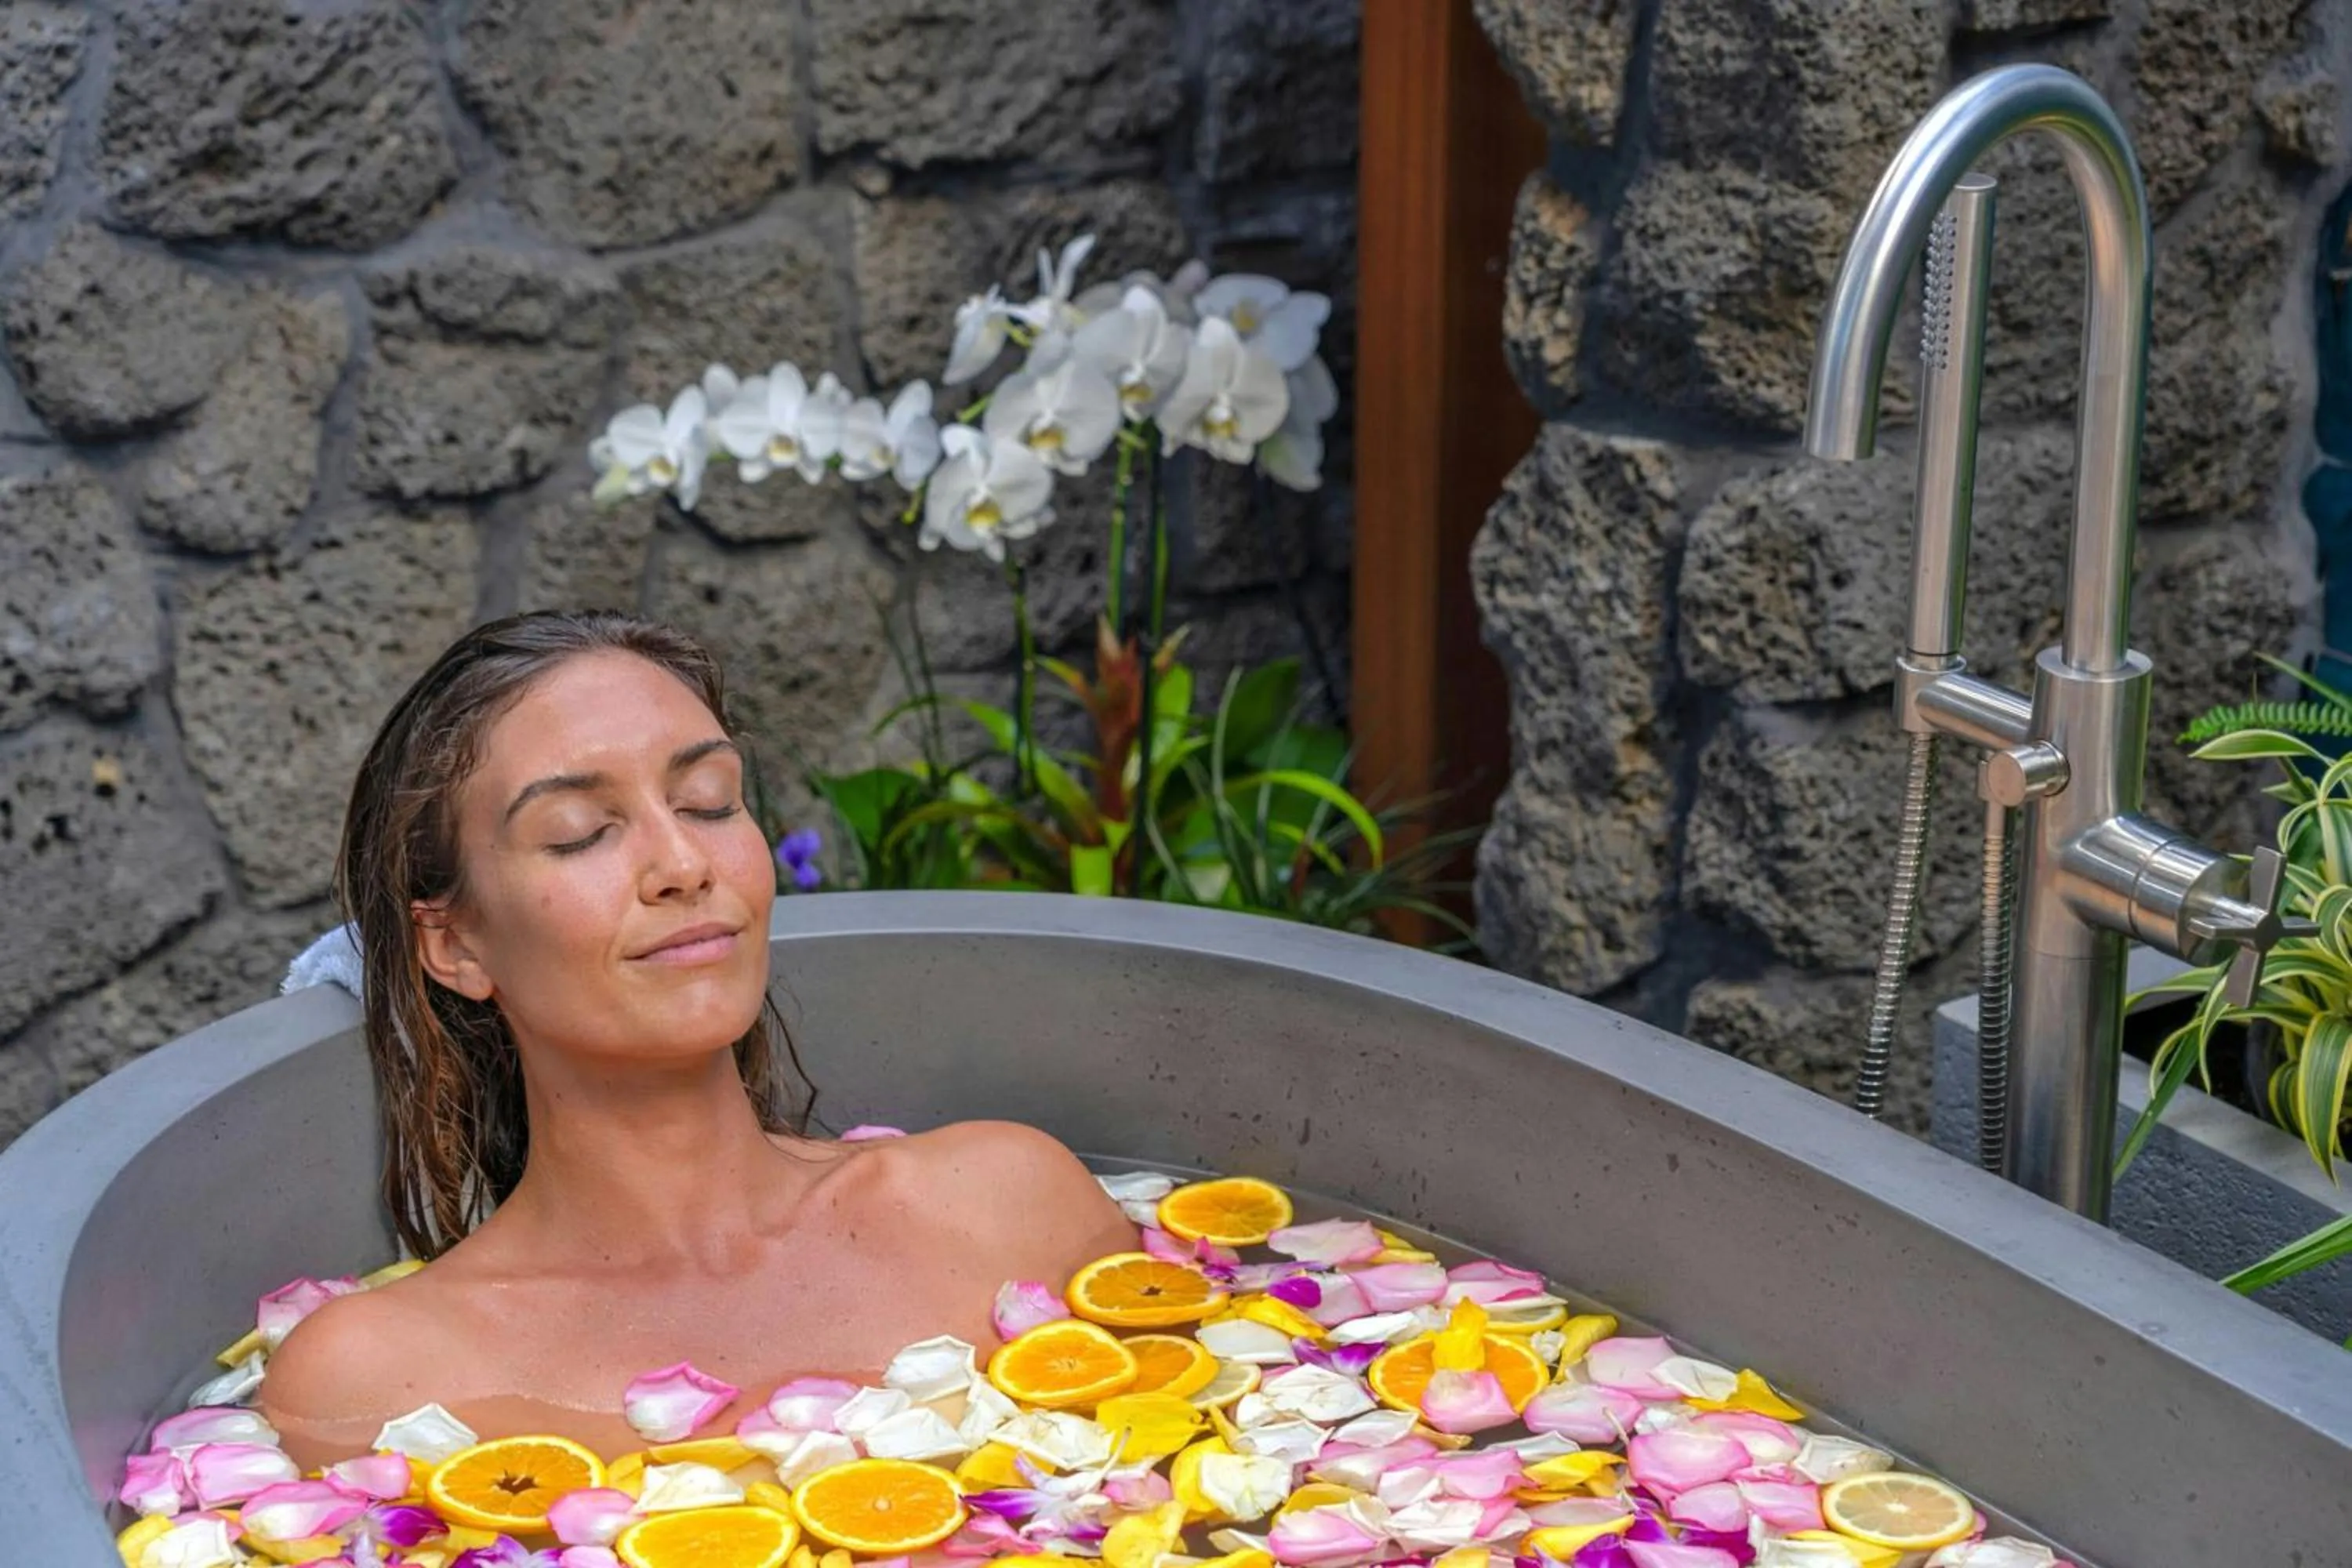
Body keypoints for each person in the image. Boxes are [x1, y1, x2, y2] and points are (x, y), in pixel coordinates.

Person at [260, 612, 1135, 1467]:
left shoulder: (1010, 1207)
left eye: (708, 802)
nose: (684, 864)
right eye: (581, 832)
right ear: (455, 943)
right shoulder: (377, 1382)